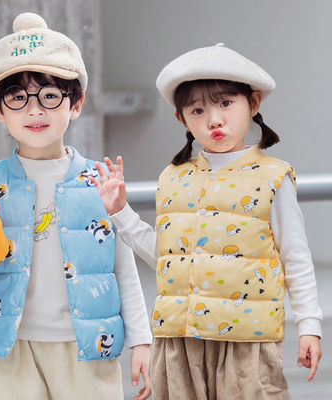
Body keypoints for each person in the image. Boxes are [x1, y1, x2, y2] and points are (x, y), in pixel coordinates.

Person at [90, 43, 323, 399]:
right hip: (179, 341)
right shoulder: (173, 177)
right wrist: (120, 211)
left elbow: (296, 258)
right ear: (181, 119)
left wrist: (309, 326)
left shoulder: (273, 178)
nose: (213, 119)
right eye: (197, 110)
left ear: (254, 103)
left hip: (245, 340)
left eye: (225, 103)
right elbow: (167, 258)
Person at [0, 12, 152, 400]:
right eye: (17, 97)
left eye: (50, 95)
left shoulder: (99, 181)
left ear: (76, 103)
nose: (35, 110)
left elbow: (123, 268)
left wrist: (142, 340)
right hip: (10, 348)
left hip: (87, 346)